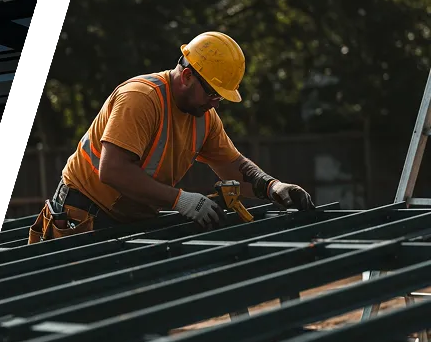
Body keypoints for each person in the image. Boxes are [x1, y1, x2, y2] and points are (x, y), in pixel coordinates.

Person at [29, 31, 315, 244]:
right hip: (82, 217)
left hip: (131, 220)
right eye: (213, 93)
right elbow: (113, 169)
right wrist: (181, 200)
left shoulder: (204, 116)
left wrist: (272, 187)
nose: (216, 103)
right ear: (188, 76)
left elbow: (234, 166)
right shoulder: (142, 98)